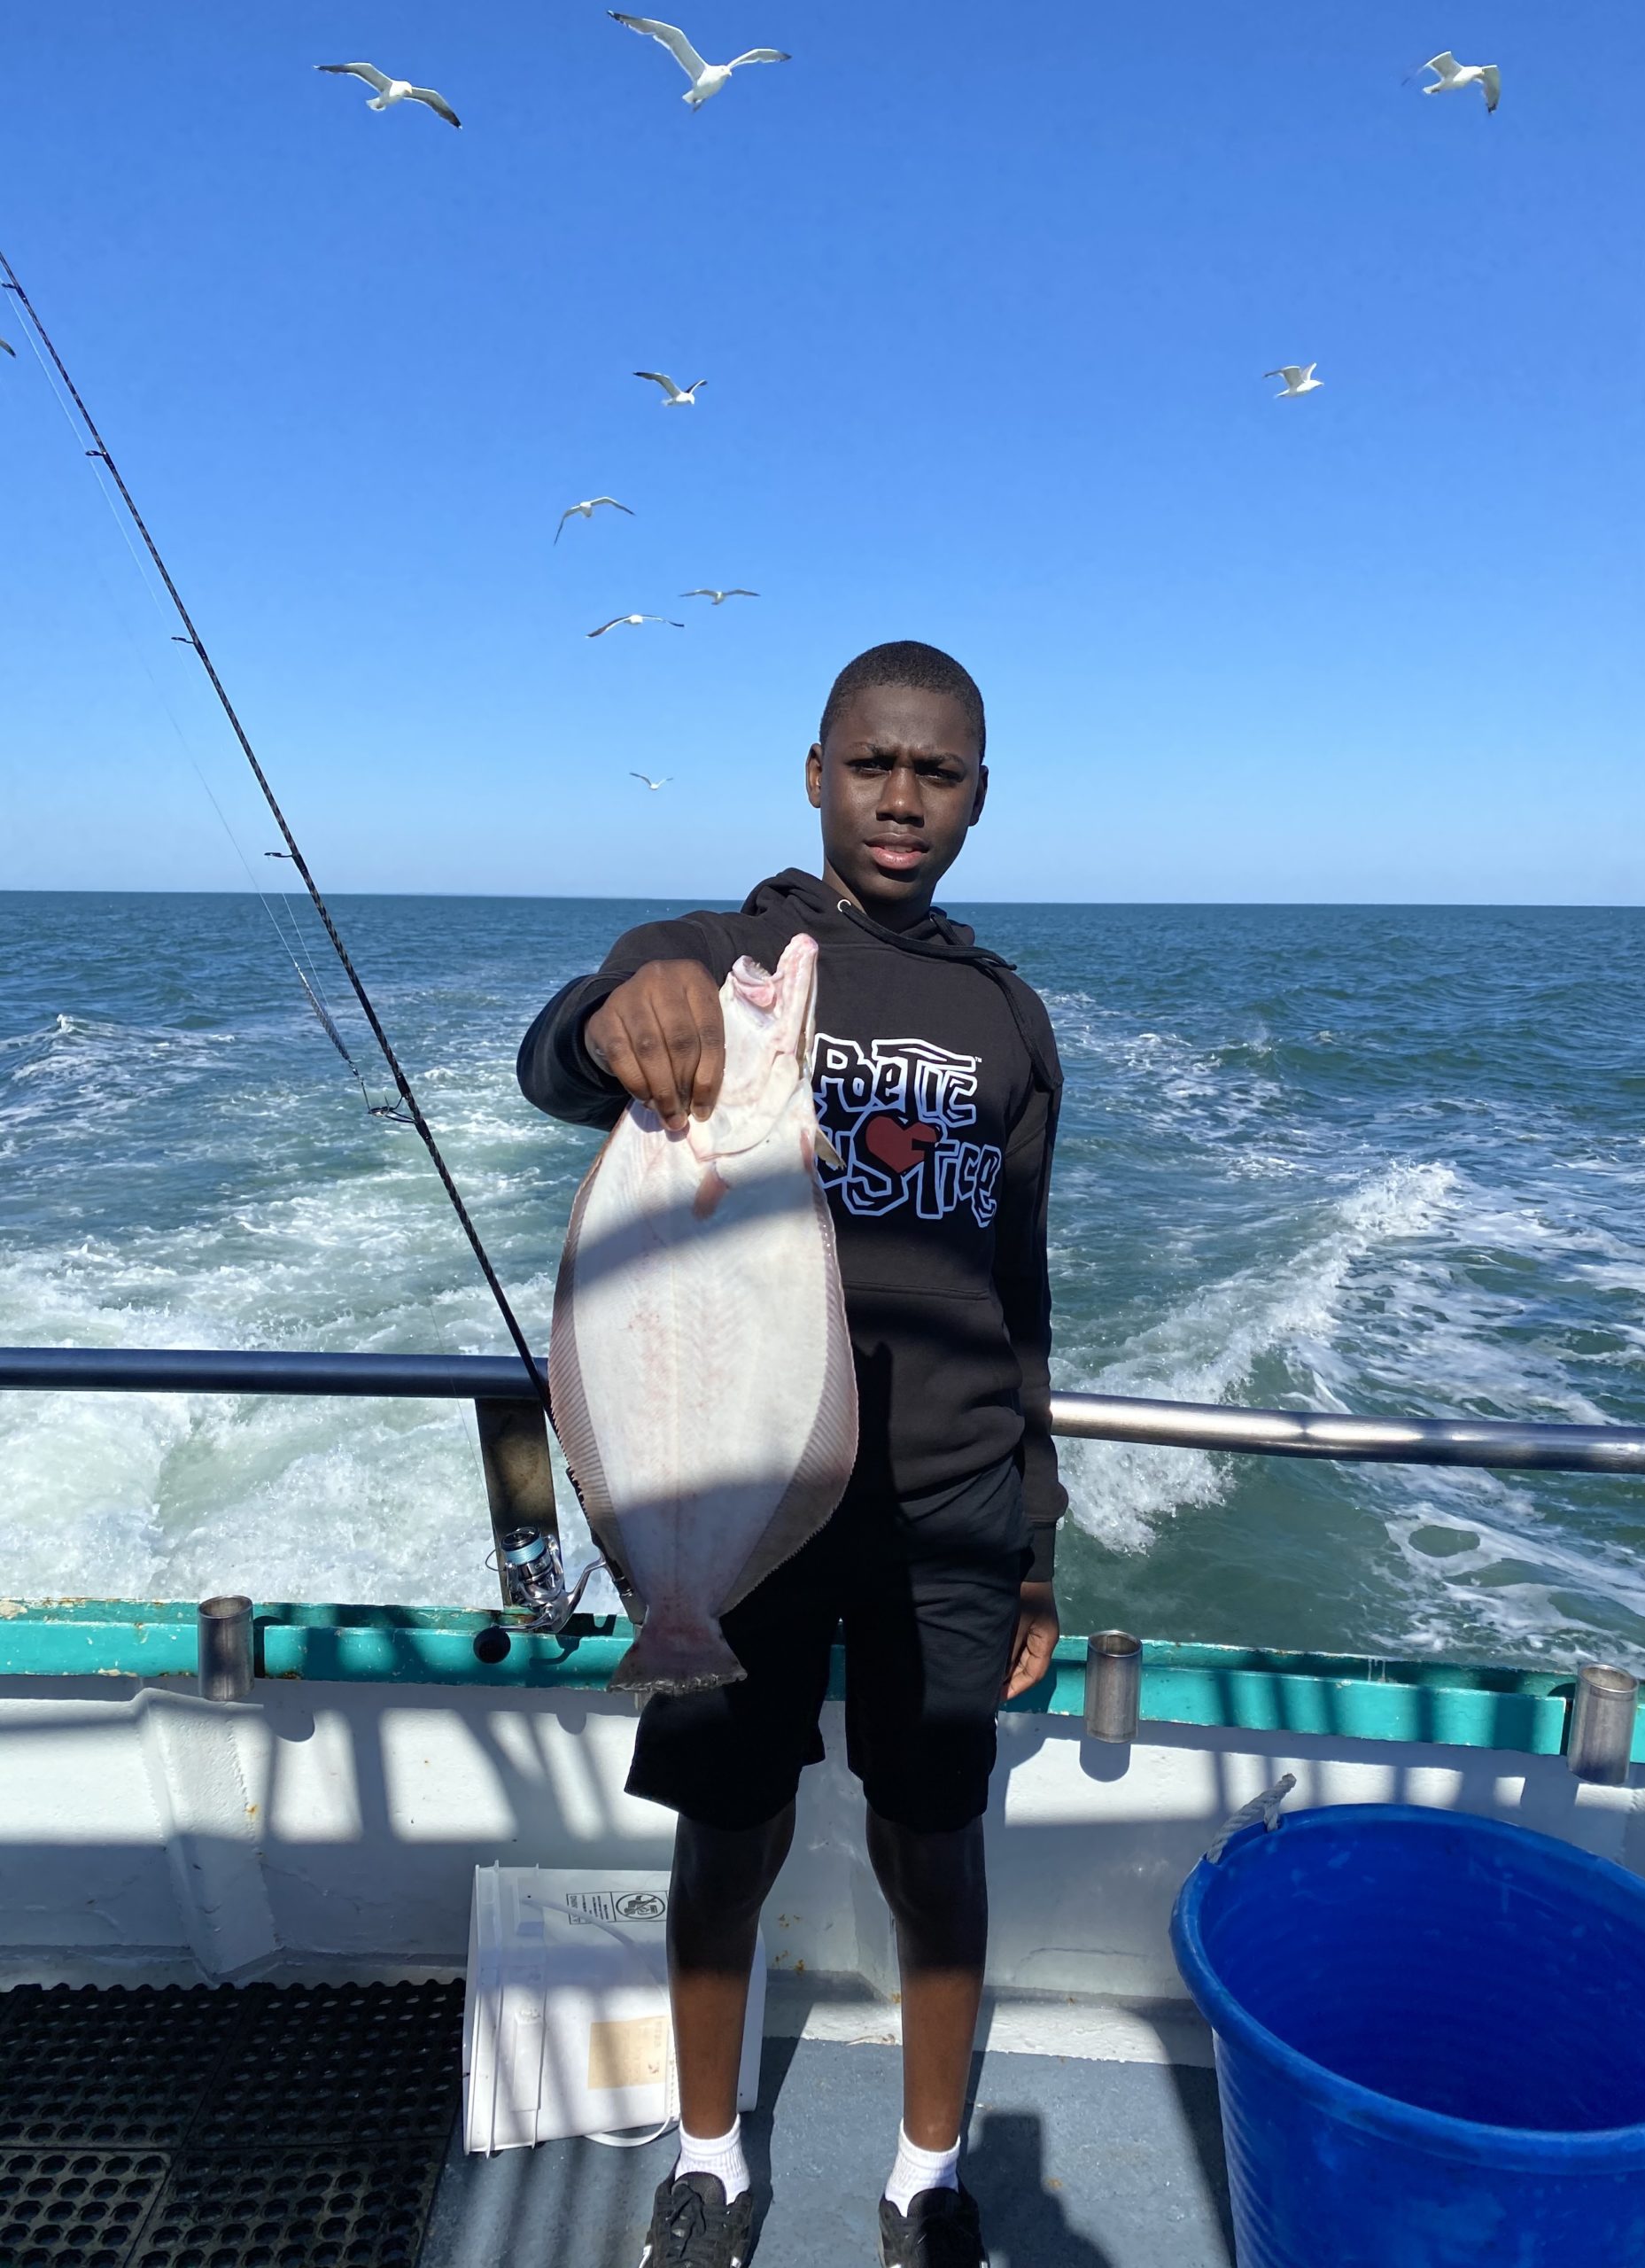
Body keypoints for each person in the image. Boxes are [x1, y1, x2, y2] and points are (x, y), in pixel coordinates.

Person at [516, 640, 1067, 2268]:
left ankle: (926, 2178)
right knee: (729, 1827)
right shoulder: (712, 951)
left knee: (933, 1835)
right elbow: (561, 1056)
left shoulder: (1006, 1016)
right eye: (874, 765)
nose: (903, 799)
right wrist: (623, 1012)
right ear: (816, 769)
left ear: (977, 794)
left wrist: (1037, 1529)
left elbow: (1017, 1282)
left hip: (952, 1494)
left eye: (940, 772)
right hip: (739, 1487)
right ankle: (705, 2161)